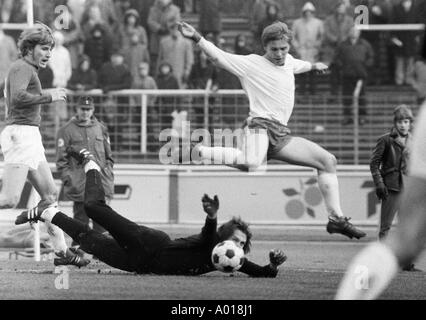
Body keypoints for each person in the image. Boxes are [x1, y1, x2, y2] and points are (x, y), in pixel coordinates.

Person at [176, 21, 366, 240]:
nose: (279, 54)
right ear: (265, 47)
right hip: (260, 126)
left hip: (281, 134)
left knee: (328, 161)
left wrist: (314, 66)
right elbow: (218, 56)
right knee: (252, 163)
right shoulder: (251, 64)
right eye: (274, 49)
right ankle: (198, 151)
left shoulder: (289, 61)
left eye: (283, 49)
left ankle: (337, 220)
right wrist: (197, 37)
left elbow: (299, 65)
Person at [18, 146, 287, 276]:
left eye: (241, 244)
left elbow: (263, 273)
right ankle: (92, 167)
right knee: (92, 207)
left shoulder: (231, 260)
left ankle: (47, 213)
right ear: (225, 235)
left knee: (90, 241)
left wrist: (273, 265)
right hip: (148, 242)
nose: (237, 246)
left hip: (140, 265)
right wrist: (212, 216)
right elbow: (207, 235)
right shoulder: (214, 243)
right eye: (236, 240)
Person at [0, 23, 89, 267]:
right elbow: (17, 96)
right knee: (8, 199)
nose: (49, 53)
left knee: (49, 196)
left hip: (28, 136)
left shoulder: (24, 69)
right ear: (30, 48)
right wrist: (48, 96)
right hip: (20, 136)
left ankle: (61, 253)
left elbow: (8, 94)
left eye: (50, 48)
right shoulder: (22, 67)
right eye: (44, 48)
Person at [56, 96, 114, 245]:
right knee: (80, 221)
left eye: (88, 109)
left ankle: (102, 254)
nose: (85, 112)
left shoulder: (101, 128)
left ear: (93, 110)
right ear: (77, 109)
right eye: (83, 109)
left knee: (102, 221)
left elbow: (109, 157)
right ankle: (78, 255)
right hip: (80, 184)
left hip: (100, 183)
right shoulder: (66, 130)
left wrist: (107, 176)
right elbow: (61, 161)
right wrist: (70, 179)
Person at [370, 105, 413, 241]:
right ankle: (382, 259)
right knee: (385, 227)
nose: (403, 125)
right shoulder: (385, 140)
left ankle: (405, 260)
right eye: (400, 122)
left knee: (406, 226)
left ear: (410, 123)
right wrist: (379, 183)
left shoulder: (415, 142)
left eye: (406, 122)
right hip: (390, 187)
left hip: (408, 188)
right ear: (395, 123)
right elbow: (374, 164)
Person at [335, 26, 374, 126]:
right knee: (347, 97)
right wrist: (342, 67)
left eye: (356, 31)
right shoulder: (343, 45)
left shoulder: (365, 44)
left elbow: (371, 57)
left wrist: (365, 66)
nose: (354, 33)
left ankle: (362, 117)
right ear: (349, 32)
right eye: (352, 31)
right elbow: (337, 58)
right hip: (347, 75)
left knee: (361, 97)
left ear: (359, 33)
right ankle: (347, 117)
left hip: (360, 74)